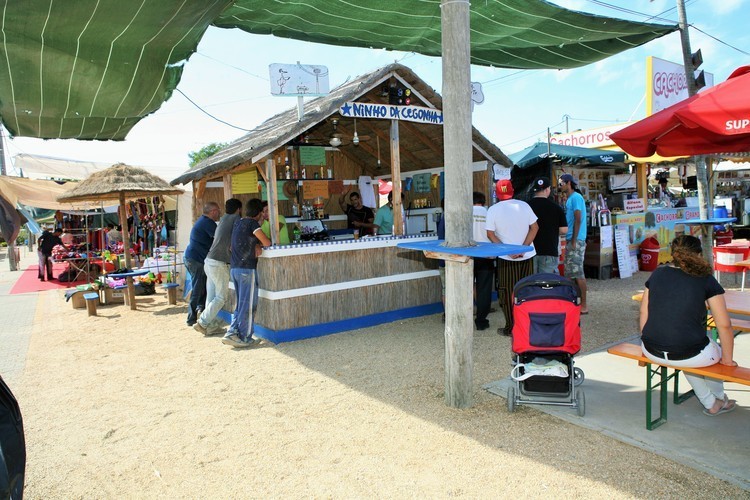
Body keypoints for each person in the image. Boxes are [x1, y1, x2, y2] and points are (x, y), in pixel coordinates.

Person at [640, 235, 738, 416]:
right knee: (706, 352)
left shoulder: (658, 273)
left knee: (690, 349)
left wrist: (647, 341)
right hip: (684, 353)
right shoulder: (705, 279)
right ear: (699, 254)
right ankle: (719, 398)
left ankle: (711, 402)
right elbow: (723, 325)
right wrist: (727, 360)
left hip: (650, 349)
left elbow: (644, 312)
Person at [485, 179, 538, 336]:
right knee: (527, 291)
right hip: (527, 255)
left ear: (498, 193)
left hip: (506, 258)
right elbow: (535, 227)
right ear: (512, 190)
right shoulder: (524, 206)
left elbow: (490, 234)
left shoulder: (493, 210)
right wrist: (523, 247)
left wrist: (506, 250)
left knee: (508, 292)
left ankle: (512, 327)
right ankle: (527, 326)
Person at [222, 198, 271, 348]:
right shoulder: (252, 223)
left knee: (240, 304)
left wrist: (255, 244)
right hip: (246, 269)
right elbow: (267, 242)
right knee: (248, 304)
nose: (263, 215)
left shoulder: (239, 222)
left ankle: (233, 332)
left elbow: (232, 246)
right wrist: (259, 243)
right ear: (258, 213)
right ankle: (244, 337)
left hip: (235, 268)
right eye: (262, 212)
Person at [194, 198, 242, 337]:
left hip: (209, 261)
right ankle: (202, 322)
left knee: (212, 296)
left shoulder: (224, 219)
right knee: (221, 297)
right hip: (219, 263)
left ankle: (210, 326)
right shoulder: (235, 219)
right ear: (239, 210)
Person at [184, 202, 221, 327]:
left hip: (193, 258)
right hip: (196, 259)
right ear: (213, 211)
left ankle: (200, 311)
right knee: (198, 288)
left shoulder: (203, 221)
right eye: (218, 211)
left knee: (201, 287)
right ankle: (191, 318)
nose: (219, 213)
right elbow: (219, 239)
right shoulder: (208, 223)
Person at [559, 173, 588, 314]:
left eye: (561, 183)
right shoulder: (570, 199)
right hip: (572, 238)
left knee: (578, 272)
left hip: (577, 239)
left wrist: (575, 239)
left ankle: (584, 304)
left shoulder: (576, 197)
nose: (560, 186)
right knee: (570, 272)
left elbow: (578, 218)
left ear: (568, 183)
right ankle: (573, 301)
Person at [528, 177, 567, 274]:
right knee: (547, 284)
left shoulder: (526, 206)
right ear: (547, 190)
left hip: (529, 251)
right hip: (549, 250)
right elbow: (564, 230)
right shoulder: (556, 207)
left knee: (530, 283)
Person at [472, 191, 494, 331]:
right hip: (486, 255)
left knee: (466, 288)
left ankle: (463, 319)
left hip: (467, 254)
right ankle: (481, 321)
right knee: (484, 289)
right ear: (483, 201)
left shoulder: (465, 212)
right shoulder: (488, 212)